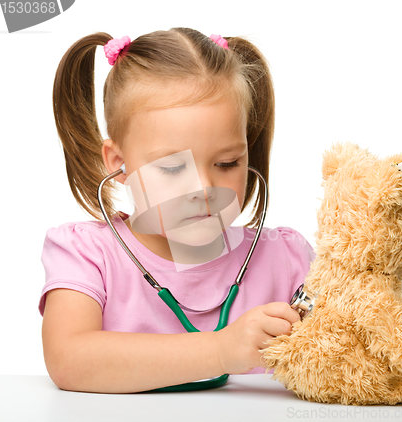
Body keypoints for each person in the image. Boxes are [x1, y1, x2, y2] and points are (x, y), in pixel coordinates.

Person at [39, 28, 315, 394]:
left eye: (227, 163)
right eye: (171, 168)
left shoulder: (286, 259)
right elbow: (69, 360)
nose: (203, 189)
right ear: (119, 163)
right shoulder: (87, 255)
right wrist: (219, 350)